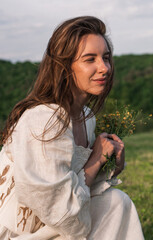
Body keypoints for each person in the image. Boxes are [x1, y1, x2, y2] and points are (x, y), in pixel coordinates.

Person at [0, 16, 144, 239]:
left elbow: (78, 184)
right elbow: (60, 211)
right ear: (65, 67)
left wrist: (112, 163)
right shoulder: (44, 120)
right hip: (24, 231)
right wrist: (97, 158)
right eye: (90, 59)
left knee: (117, 202)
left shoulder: (86, 117)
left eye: (106, 58)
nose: (104, 68)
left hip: (57, 222)